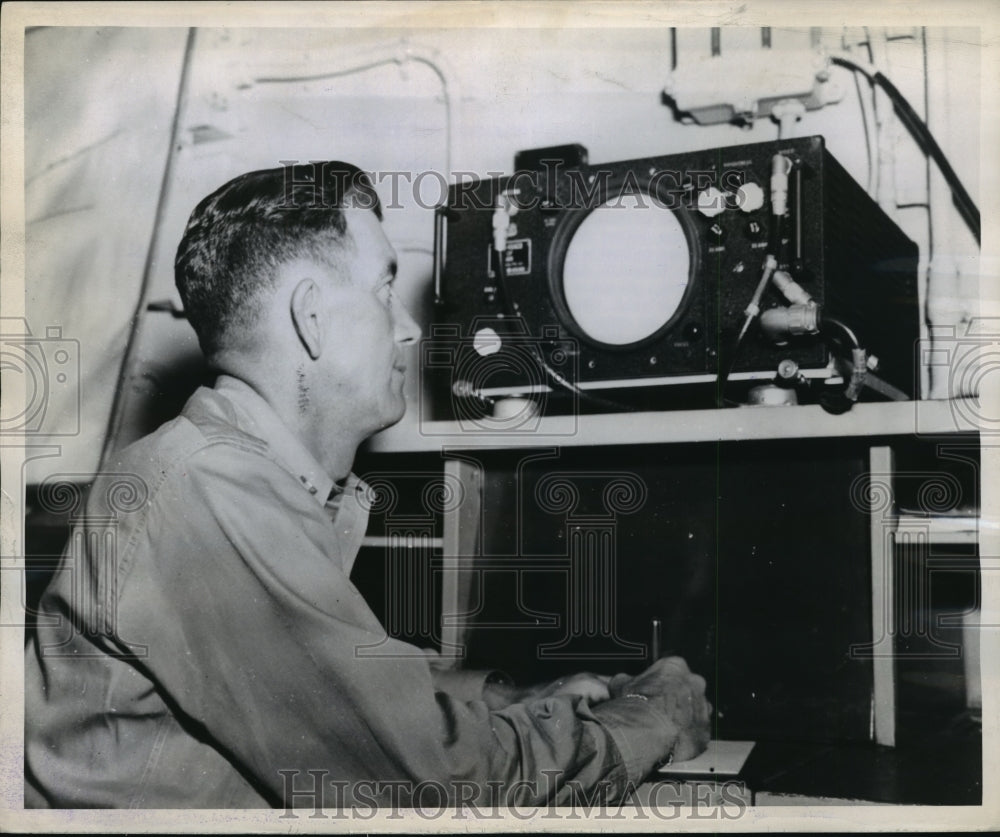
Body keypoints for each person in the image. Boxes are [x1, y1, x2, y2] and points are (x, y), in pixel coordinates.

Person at [24, 162, 711, 810]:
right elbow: (436, 785)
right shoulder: (209, 487)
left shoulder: (245, 474)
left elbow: (358, 697)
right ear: (312, 315)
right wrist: (646, 718)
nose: (409, 328)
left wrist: (518, 697)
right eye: (384, 287)